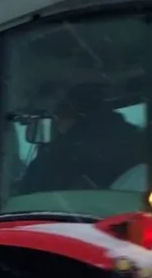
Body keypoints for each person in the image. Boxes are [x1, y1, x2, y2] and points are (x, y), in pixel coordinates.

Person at [13, 83, 144, 195]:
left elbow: (31, 196)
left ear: (58, 114)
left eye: (37, 116)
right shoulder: (139, 144)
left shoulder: (64, 156)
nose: (28, 125)